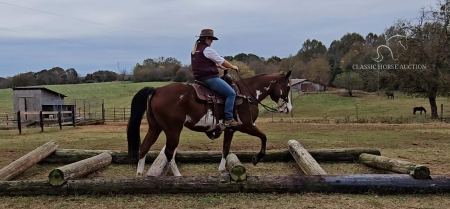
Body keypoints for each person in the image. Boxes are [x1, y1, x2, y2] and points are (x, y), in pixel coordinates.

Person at [191, 29, 241, 127]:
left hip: (199, 79)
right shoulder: (207, 50)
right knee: (231, 93)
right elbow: (222, 61)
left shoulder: (195, 50)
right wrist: (232, 66)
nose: (212, 42)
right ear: (207, 39)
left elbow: (201, 63)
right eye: (211, 40)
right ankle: (228, 119)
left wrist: (217, 66)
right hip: (210, 78)